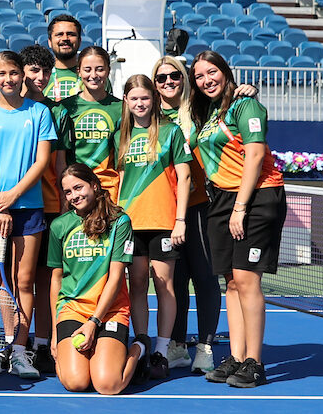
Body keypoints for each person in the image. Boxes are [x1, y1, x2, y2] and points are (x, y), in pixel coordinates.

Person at [190, 51, 286, 389]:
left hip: (256, 197)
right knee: (229, 281)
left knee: (246, 280)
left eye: (212, 72)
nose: (206, 80)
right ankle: (236, 356)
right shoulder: (209, 113)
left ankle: (255, 363)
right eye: (199, 76)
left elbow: (256, 155)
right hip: (223, 198)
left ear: (225, 72)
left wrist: (241, 208)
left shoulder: (246, 106)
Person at [0, 50, 57, 380]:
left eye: (14, 73)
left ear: (23, 76)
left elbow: (41, 162)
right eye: (2, 73)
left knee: (22, 281)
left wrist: (13, 198)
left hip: (28, 207)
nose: (8, 79)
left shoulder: (39, 112)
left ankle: (19, 352)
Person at [152, 55, 240, 374]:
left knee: (204, 276)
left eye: (175, 76)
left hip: (199, 206)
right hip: (162, 208)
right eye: (161, 78)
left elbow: (227, 99)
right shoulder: (149, 113)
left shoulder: (198, 109)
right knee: (175, 279)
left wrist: (245, 90)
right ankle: (176, 346)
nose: (168, 82)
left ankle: (204, 347)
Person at [114, 74, 192, 382]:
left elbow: (185, 178)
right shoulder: (122, 134)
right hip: (130, 225)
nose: (139, 103)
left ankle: (161, 349)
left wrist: (180, 220)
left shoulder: (171, 132)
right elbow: (118, 180)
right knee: (136, 287)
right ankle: (143, 343)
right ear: (127, 102)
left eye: (144, 98)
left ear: (153, 99)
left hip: (163, 223)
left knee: (164, 285)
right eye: (134, 99)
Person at [49, 163, 143, 395]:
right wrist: (54, 333)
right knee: (76, 383)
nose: (73, 196)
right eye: (68, 192)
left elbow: (115, 277)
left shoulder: (120, 222)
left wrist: (94, 322)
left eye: (78, 188)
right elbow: (56, 280)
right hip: (73, 310)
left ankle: (140, 347)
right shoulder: (59, 226)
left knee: (107, 385)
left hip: (110, 311)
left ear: (94, 184)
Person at [19, 43, 64, 374]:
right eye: (34, 70)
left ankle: (43, 344)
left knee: (47, 281)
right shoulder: (3, 109)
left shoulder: (55, 112)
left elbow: (60, 165)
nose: (41, 77)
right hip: (13, 207)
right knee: (18, 280)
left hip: (49, 207)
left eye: (46, 72)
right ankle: (11, 343)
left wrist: (63, 207)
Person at [52, 46, 122, 199]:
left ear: (109, 70)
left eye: (99, 69)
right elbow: (61, 159)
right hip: (76, 192)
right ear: (79, 71)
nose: (93, 75)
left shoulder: (121, 108)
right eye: (87, 69)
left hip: (108, 190)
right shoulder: (66, 108)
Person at [45, 14, 87, 101]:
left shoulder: (94, 76)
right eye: (59, 34)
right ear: (49, 41)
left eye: (71, 34)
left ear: (79, 41)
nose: (65, 38)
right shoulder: (38, 77)